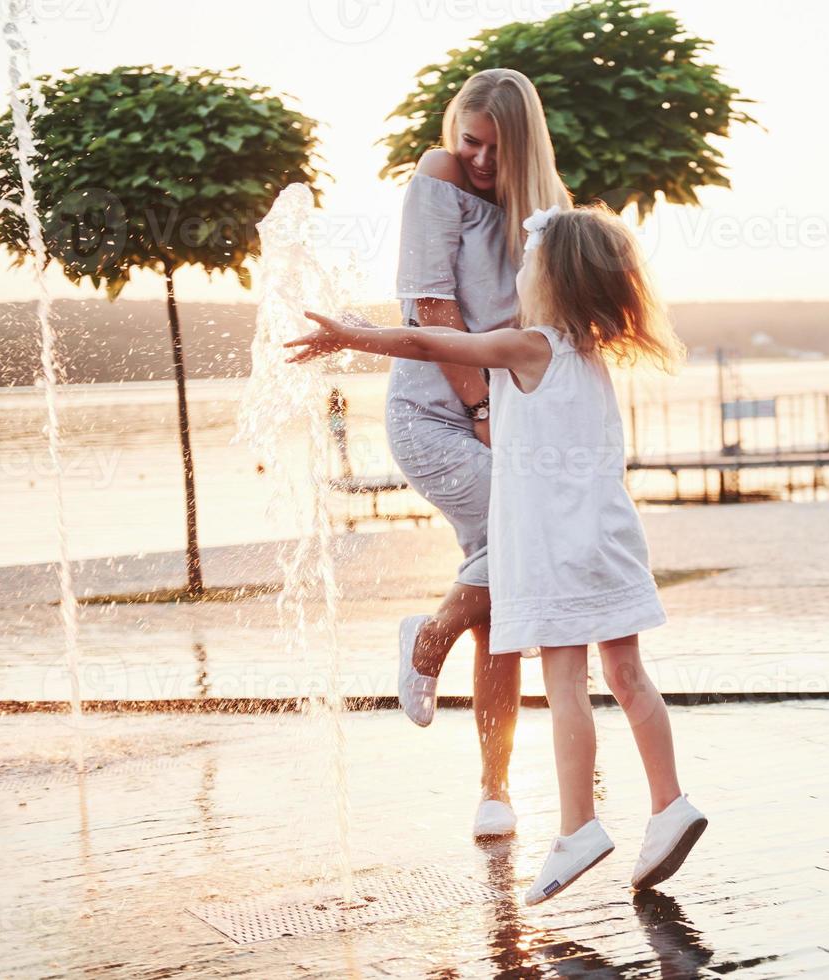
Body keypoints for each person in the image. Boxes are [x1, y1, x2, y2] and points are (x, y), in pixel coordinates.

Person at [287, 203, 707, 904]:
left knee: (566, 684)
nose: (517, 273)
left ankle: (578, 828)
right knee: (629, 677)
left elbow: (431, 347)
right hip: (610, 540)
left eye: (526, 263)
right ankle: (670, 805)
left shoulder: (529, 346)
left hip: (555, 550)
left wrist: (355, 335)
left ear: (552, 279)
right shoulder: (592, 355)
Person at [385, 68, 571, 841]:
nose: (480, 160)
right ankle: (428, 638)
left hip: (509, 421)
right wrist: (482, 407)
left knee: (506, 595)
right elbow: (431, 306)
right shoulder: (437, 179)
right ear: (451, 133)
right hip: (435, 414)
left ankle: (494, 790)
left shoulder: (549, 215)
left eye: (496, 147)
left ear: (524, 144)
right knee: (522, 545)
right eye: (469, 141)